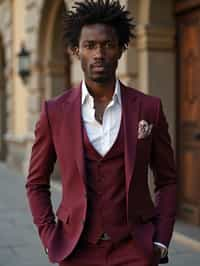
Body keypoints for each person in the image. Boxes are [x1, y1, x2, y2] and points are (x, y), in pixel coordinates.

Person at [25, 0, 177, 265]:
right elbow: (36, 183)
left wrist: (161, 240)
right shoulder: (54, 112)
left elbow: (167, 180)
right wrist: (50, 238)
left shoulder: (148, 108)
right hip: (77, 250)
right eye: (90, 46)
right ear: (76, 51)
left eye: (107, 45)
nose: (99, 53)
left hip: (135, 250)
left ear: (120, 50)